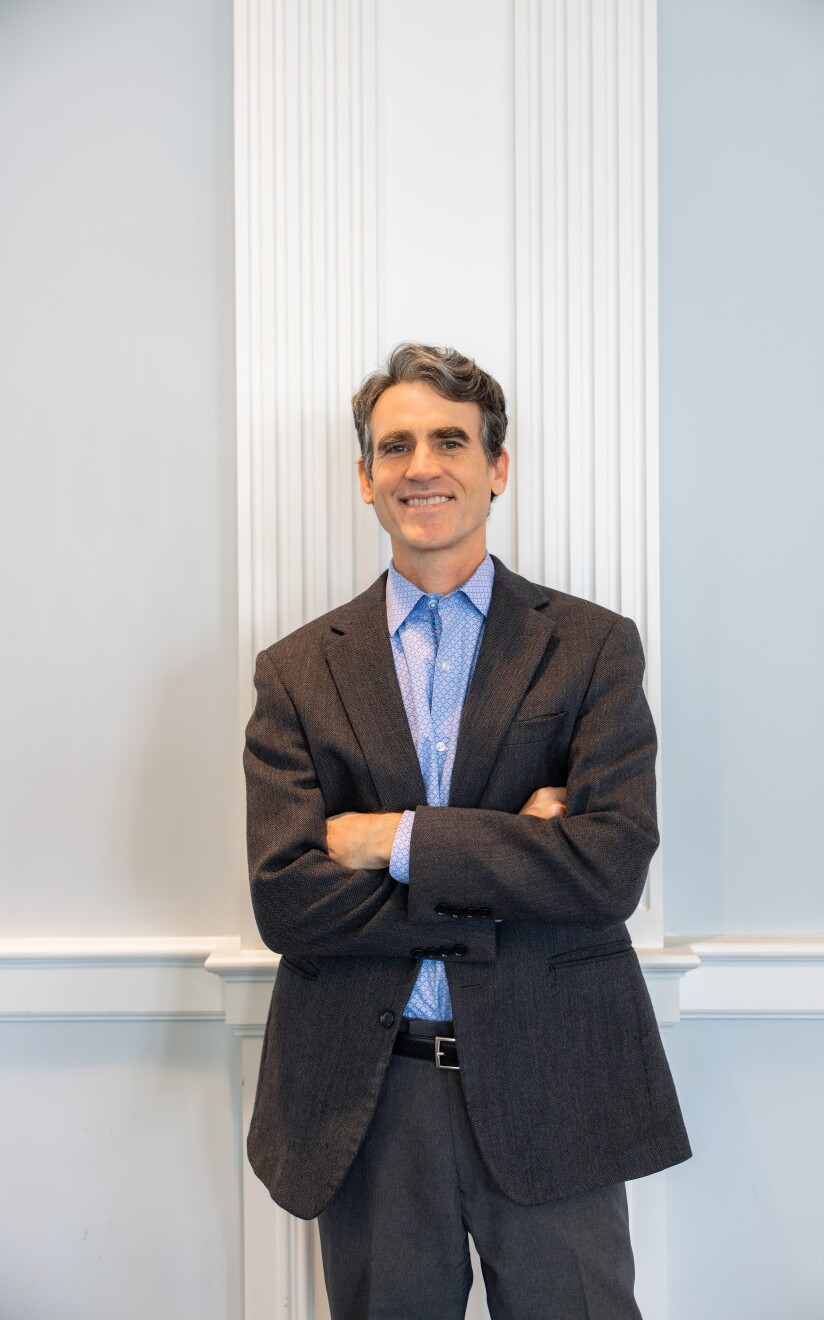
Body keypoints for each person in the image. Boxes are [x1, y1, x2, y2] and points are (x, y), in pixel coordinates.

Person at [243, 343, 691, 1320]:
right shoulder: (294, 674)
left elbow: (609, 867)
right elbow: (286, 895)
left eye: (450, 440)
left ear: (496, 466)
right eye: (394, 446)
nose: (421, 465)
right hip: (371, 1095)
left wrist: (390, 839)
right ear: (364, 478)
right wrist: (512, 853)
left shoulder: (592, 647)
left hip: (553, 1079)